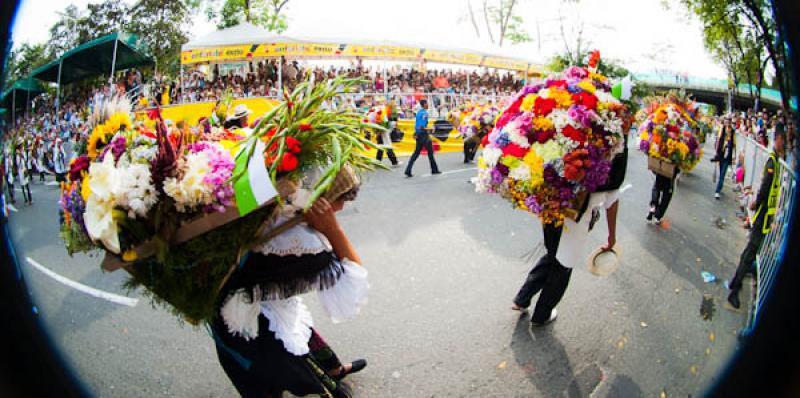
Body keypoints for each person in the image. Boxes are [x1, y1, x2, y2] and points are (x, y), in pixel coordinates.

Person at [210, 166, 368, 398]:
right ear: (319, 200)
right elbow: (353, 283)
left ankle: (333, 368)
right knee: (288, 377)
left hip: (243, 310)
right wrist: (333, 229)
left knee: (300, 332)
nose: (342, 207)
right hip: (249, 329)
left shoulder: (278, 210)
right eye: (341, 199)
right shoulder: (299, 244)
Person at [727, 130, 785, 310]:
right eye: (784, 140)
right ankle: (734, 291)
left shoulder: (775, 161)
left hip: (765, 217)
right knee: (750, 253)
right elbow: (766, 187)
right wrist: (756, 203)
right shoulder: (772, 162)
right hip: (762, 216)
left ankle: (735, 282)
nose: (785, 144)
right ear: (778, 139)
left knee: (750, 252)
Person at [404, 99, 441, 177]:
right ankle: (434, 169)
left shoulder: (418, 113)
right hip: (424, 135)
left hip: (418, 135)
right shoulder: (424, 113)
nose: (428, 105)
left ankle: (408, 169)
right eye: (427, 103)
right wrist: (431, 129)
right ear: (424, 104)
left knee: (416, 153)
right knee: (430, 153)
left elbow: (418, 126)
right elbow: (422, 127)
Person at [713, 119, 736, 199]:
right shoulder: (722, 129)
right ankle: (720, 186)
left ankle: (717, 191)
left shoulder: (733, 132)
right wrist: (716, 152)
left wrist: (734, 157)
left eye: (729, 122)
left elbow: (734, 145)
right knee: (721, 172)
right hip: (721, 154)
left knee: (722, 174)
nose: (728, 123)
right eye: (726, 121)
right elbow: (718, 140)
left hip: (727, 156)